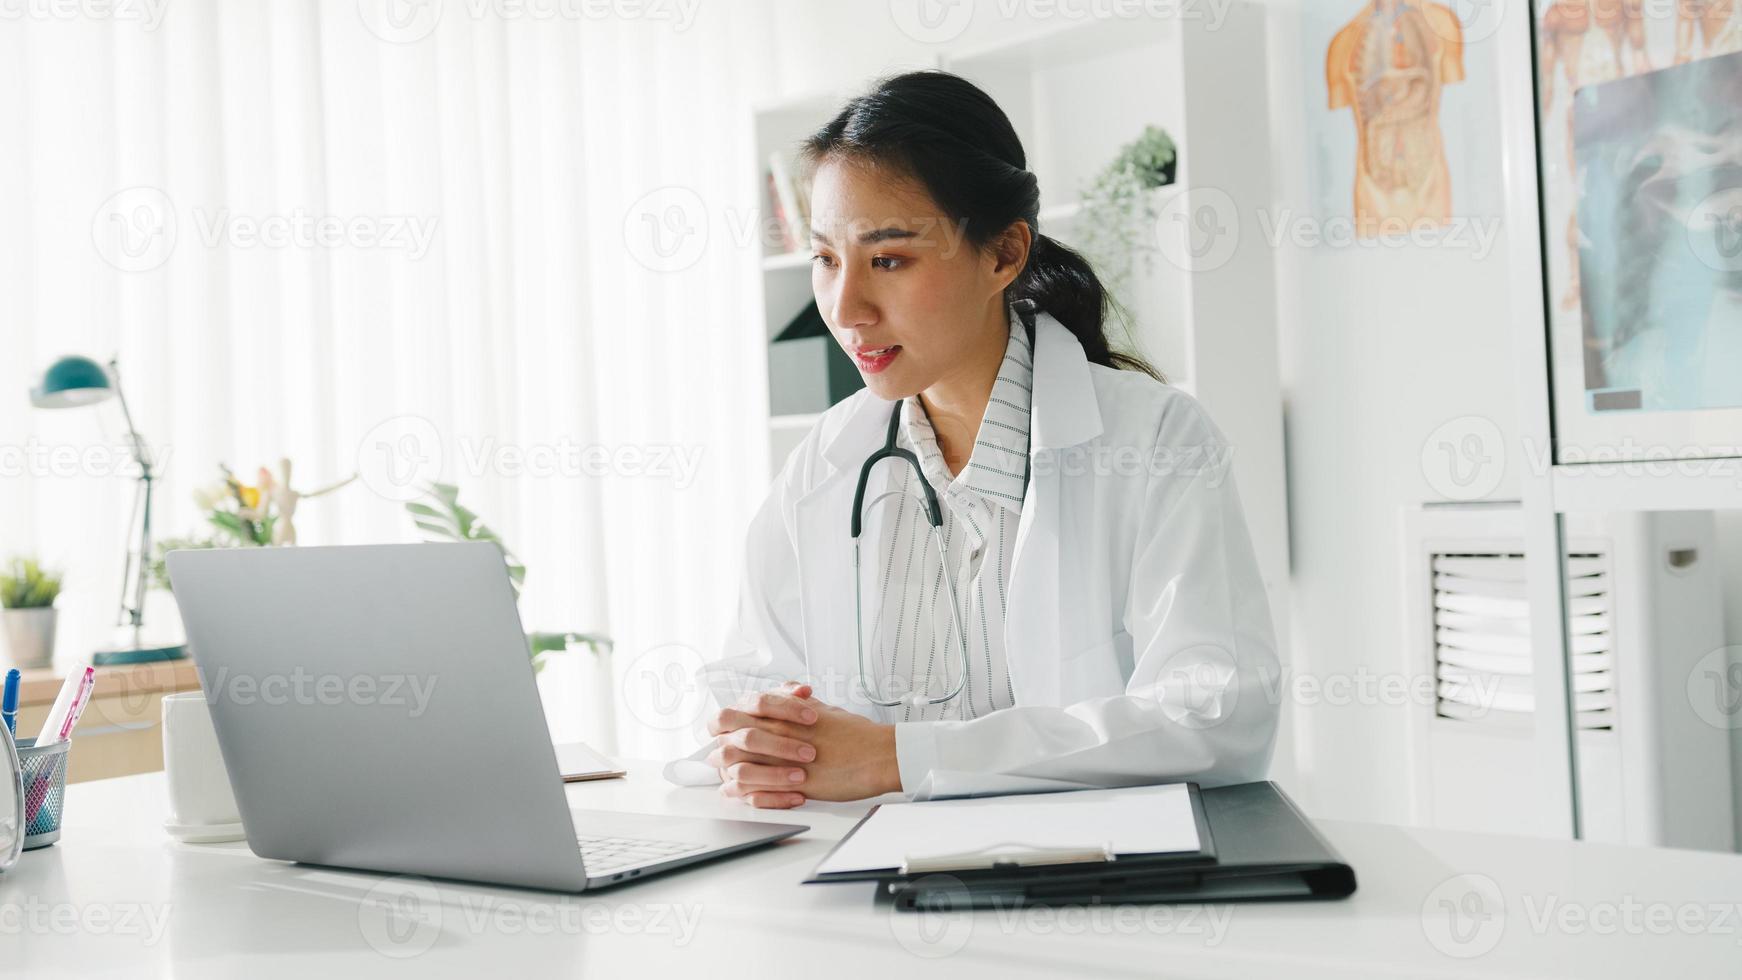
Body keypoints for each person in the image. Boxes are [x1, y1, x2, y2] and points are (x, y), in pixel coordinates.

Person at [669, 70, 1279, 808]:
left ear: (1003, 254)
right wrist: (759, 743)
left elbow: (1216, 714)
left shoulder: (1155, 440)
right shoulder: (826, 464)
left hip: (1091, 884)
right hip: (868, 879)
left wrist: (904, 758)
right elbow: (745, 685)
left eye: (888, 259)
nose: (846, 308)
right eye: (826, 259)